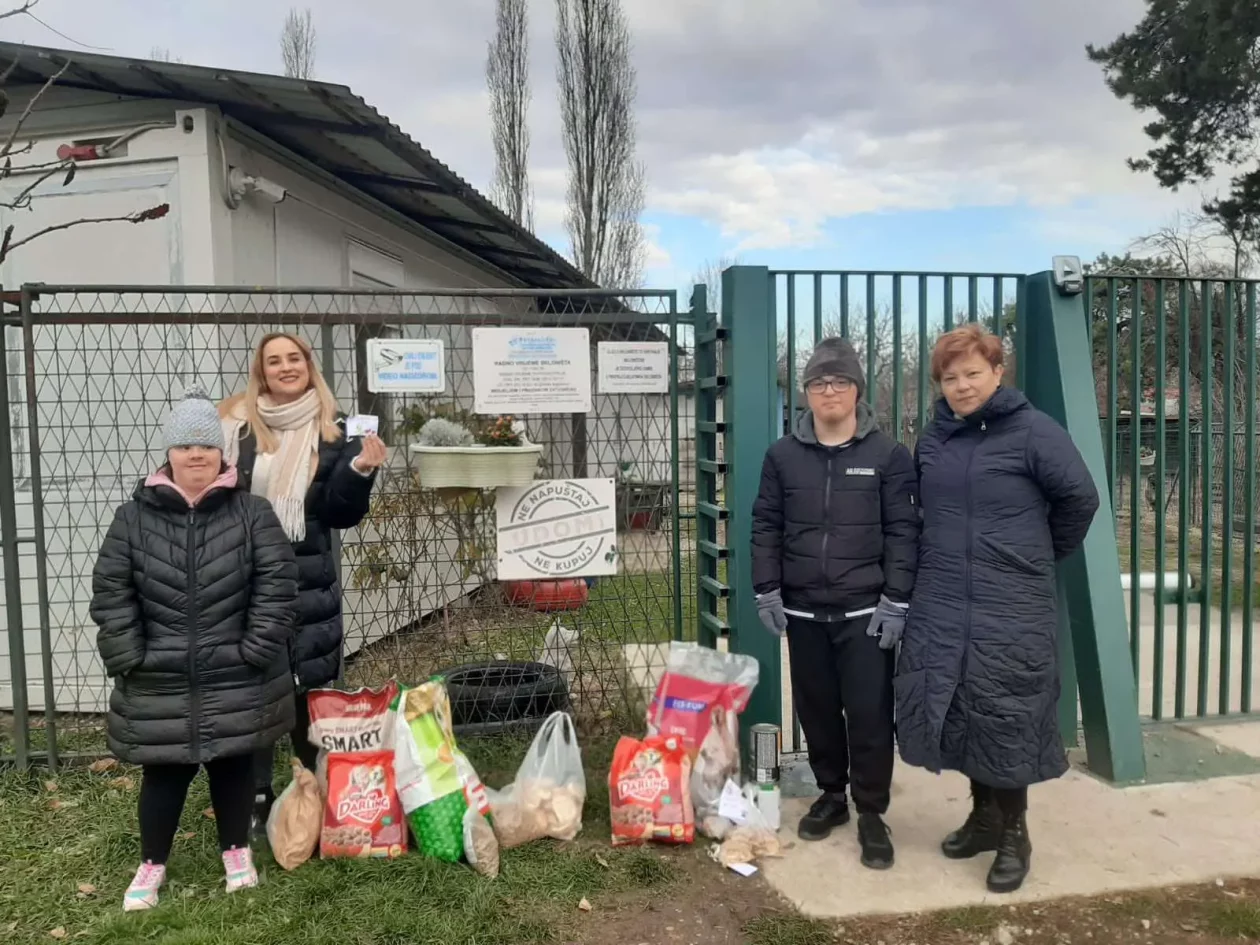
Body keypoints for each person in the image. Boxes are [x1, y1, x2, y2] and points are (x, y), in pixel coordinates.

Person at [894, 323, 1100, 894]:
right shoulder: (934, 439)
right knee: (958, 709)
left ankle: (1015, 833)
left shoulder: (1035, 432)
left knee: (1005, 715)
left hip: (1009, 602)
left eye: (972, 374)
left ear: (997, 371)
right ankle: (983, 818)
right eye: (950, 377)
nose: (961, 386)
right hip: (940, 597)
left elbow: (1080, 498)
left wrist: (1032, 556)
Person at [90, 386, 299, 911]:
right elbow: (111, 591)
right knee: (164, 773)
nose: (196, 455)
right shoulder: (131, 519)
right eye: (185, 446)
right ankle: (151, 863)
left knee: (233, 767)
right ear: (170, 453)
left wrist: (256, 649)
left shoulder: (253, 513)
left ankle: (236, 852)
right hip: (157, 673)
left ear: (220, 453)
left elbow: (277, 585)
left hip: (238, 670)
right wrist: (127, 655)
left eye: (205, 446)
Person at [751, 337, 920, 870]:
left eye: (840, 382)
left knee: (869, 716)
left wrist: (896, 600)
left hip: (865, 614)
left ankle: (871, 812)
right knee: (817, 710)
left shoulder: (888, 456)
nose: (830, 391)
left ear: (856, 391)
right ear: (805, 393)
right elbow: (766, 526)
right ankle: (831, 796)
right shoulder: (781, 456)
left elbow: (903, 532)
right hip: (803, 612)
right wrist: (766, 588)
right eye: (819, 383)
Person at [218, 332, 387, 831]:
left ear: (309, 366)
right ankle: (257, 797)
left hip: (305, 575)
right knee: (252, 684)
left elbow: (338, 514)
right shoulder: (237, 426)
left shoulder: (333, 430)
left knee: (306, 685)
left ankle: (312, 789)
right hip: (243, 573)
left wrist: (358, 471)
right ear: (262, 372)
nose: (285, 367)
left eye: (294, 358)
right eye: (274, 361)